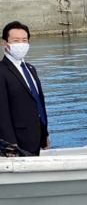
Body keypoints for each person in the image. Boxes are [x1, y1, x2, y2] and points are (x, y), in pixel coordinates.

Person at [0, 21, 50, 155]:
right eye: (16, 41)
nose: (21, 44)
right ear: (5, 43)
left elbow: (38, 103)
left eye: (24, 40)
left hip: (36, 137)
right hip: (16, 142)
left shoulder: (31, 69)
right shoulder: (2, 71)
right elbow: (2, 111)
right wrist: (9, 144)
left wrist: (44, 133)